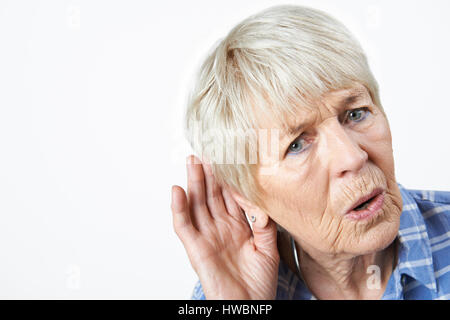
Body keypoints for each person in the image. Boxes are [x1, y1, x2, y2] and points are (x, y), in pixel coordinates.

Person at [170, 5, 450, 299]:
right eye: (296, 145)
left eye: (355, 114)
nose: (353, 158)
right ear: (247, 198)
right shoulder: (222, 296)